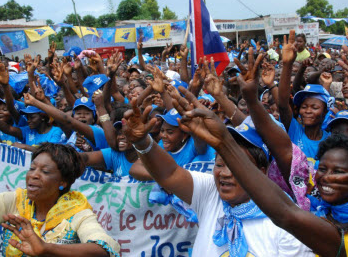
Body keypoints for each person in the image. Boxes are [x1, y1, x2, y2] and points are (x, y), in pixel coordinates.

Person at [121, 99, 313, 257]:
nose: (225, 174)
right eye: (220, 164)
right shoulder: (211, 194)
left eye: (238, 167)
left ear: (262, 172)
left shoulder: (288, 223)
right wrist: (142, 143)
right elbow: (169, 174)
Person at [0, 143, 120, 257]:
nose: (34, 175)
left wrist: (45, 249)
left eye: (45, 172)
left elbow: (102, 249)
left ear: (63, 182)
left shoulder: (78, 213)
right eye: (32, 169)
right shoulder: (15, 200)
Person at [278, 30, 330, 166]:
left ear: (325, 111)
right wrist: (287, 64)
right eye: (304, 106)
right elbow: (283, 105)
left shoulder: (331, 141)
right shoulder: (294, 130)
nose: (307, 111)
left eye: (314, 107)